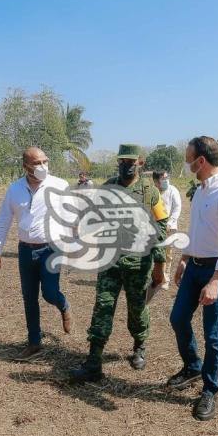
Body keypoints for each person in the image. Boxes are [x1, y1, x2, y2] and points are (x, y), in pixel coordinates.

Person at [70, 144, 168, 381]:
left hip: (138, 263)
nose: (126, 166)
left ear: (140, 163)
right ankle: (94, 361)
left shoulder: (149, 191)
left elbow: (162, 225)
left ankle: (139, 347)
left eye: (130, 162)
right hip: (110, 263)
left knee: (137, 308)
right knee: (103, 307)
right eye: (122, 161)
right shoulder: (108, 187)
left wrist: (158, 263)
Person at [166, 136, 218, 421]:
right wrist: (184, 259)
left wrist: (216, 280)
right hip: (194, 267)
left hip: (214, 272)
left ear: (201, 161)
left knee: (213, 333)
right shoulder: (200, 191)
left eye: (188, 159)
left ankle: (210, 389)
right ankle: (193, 366)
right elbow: (195, 230)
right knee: (178, 319)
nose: (186, 164)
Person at [0, 147, 73, 361]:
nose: (43, 166)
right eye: (37, 163)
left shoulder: (59, 185)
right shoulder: (15, 189)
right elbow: (3, 220)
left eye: (45, 161)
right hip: (25, 250)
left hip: (51, 248)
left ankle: (63, 305)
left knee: (49, 292)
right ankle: (34, 342)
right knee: (29, 298)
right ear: (25, 166)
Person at [148, 169, 182, 293]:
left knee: (167, 255)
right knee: (153, 253)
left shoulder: (173, 190)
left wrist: (170, 222)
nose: (166, 180)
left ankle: (165, 280)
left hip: (169, 228)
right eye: (164, 178)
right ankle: (155, 277)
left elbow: (177, 207)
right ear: (156, 181)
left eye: (167, 177)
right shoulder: (152, 191)